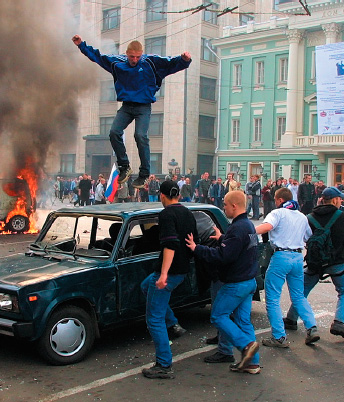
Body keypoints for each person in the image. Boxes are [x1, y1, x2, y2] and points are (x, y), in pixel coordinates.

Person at [72, 35, 192, 189]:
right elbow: (98, 57)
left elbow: (170, 63)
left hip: (144, 106)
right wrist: (81, 45)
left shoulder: (150, 62)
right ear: (126, 54)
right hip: (127, 106)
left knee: (140, 135)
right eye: (131, 57)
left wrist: (184, 60)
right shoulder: (117, 62)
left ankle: (144, 174)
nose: (134, 60)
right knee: (114, 132)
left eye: (137, 57)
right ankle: (124, 166)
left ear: (141, 55)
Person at [185, 191, 261, 374]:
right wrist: (222, 238)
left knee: (218, 316)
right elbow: (238, 247)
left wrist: (197, 248)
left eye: (225, 205)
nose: (224, 207)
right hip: (249, 281)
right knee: (243, 322)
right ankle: (252, 363)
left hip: (236, 283)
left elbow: (223, 256)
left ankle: (245, 346)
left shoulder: (237, 228)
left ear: (234, 206)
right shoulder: (247, 225)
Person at [141, 180, 198, 379]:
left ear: (162, 196)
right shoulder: (187, 213)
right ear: (179, 195)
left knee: (154, 319)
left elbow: (170, 245)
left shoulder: (166, 214)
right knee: (145, 285)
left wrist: (164, 274)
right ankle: (173, 324)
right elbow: (193, 243)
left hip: (169, 272)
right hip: (181, 270)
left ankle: (163, 365)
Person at [284, 186, 344, 341]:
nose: (341, 201)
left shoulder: (309, 217)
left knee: (302, 291)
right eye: (340, 198)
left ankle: (291, 318)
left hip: (315, 261)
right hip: (337, 260)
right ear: (335, 200)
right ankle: (340, 322)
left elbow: (304, 238)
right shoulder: (342, 217)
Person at [254, 187, 320, 347]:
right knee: (298, 295)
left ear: (278, 200)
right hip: (297, 257)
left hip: (280, 256)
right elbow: (308, 236)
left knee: (272, 298)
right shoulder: (302, 216)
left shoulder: (277, 213)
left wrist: (245, 231)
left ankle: (279, 336)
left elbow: (267, 227)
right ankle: (311, 326)